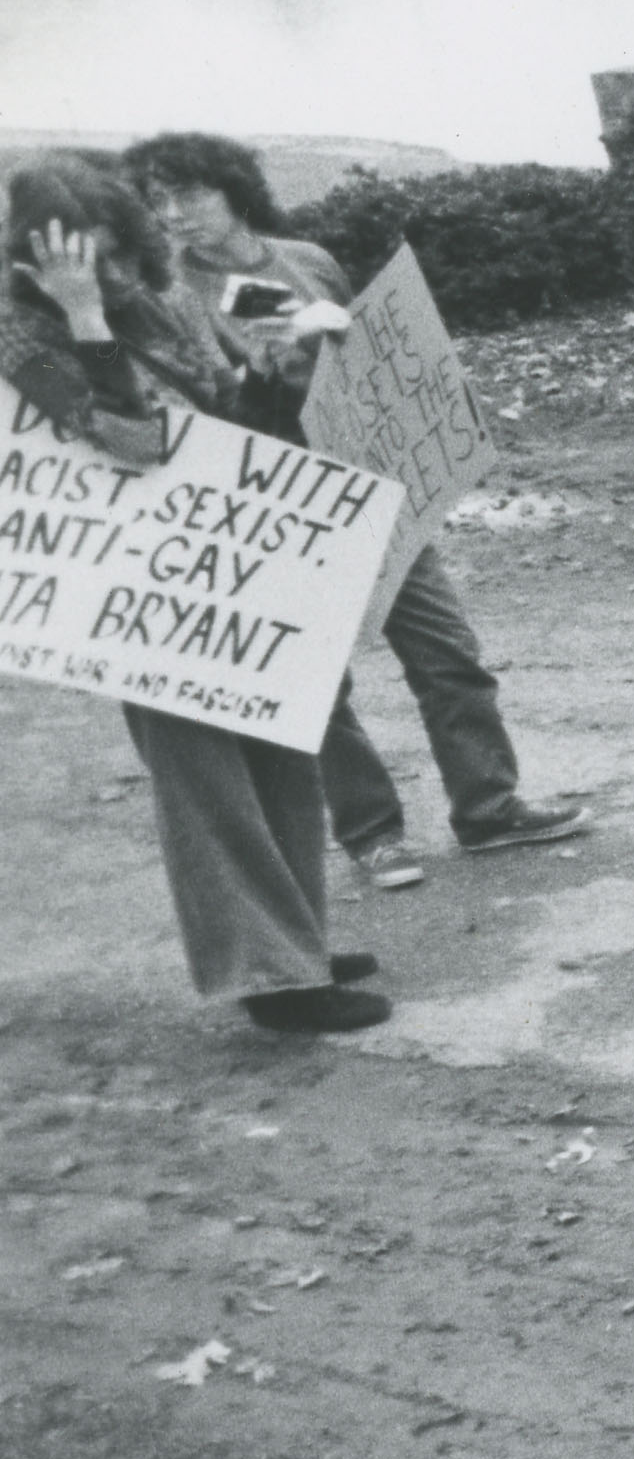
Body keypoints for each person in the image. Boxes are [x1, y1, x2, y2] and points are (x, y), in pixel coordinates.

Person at [122, 131, 585, 889]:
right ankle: (371, 832)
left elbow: (368, 354)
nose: (173, 214)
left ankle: (488, 806)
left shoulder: (303, 259)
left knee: (449, 655)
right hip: (278, 503)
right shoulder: (171, 294)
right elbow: (199, 410)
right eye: (159, 199)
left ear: (234, 190)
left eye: (189, 195)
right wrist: (257, 378)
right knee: (320, 682)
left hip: (370, 483)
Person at [7, 157, 386, 1032]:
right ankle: (273, 979)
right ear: (36, 264)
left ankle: (295, 943)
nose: (110, 276)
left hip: (215, 563)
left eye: (113, 257)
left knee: (281, 758)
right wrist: (86, 319)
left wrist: (263, 366)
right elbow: (134, 439)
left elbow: (224, 418)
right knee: (208, 783)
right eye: (84, 264)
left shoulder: (150, 300)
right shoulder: (22, 336)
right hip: (135, 588)